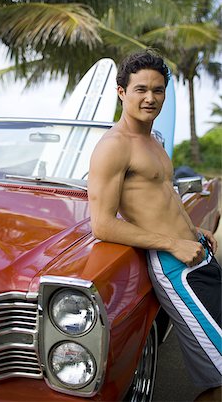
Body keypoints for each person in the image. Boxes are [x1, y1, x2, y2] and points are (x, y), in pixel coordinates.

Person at [88, 50, 222, 401]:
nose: (151, 98)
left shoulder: (155, 141)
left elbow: (165, 197)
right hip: (177, 270)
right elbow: (102, 225)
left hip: (198, 255)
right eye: (141, 89)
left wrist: (193, 233)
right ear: (121, 92)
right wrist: (171, 244)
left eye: (158, 90)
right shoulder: (113, 147)